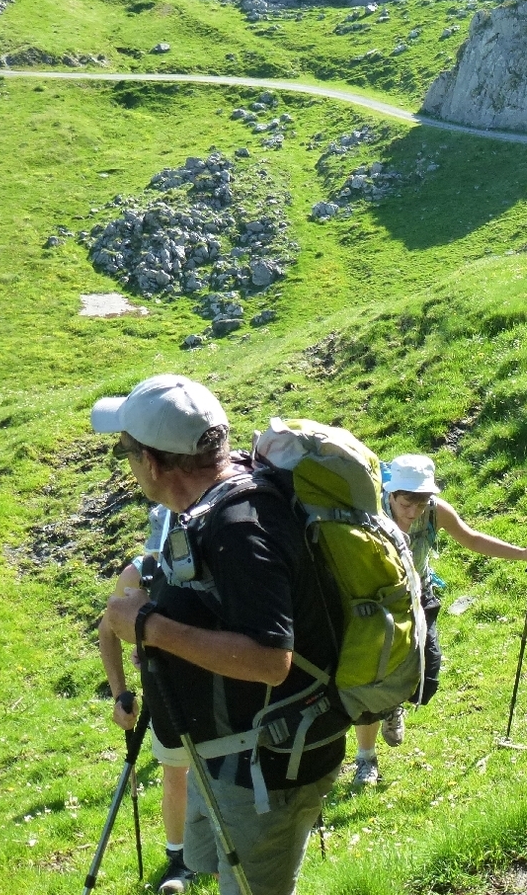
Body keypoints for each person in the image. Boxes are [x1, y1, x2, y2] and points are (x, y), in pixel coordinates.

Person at [96, 374, 344, 895]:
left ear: (154, 462)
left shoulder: (241, 527)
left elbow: (270, 659)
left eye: (126, 452)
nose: (128, 465)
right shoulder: (210, 507)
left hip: (268, 769)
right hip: (225, 754)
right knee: (212, 870)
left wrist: (148, 626)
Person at [350, 453, 527, 788]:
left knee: (427, 677)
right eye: (406, 503)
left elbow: (471, 538)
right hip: (379, 602)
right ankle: (365, 759)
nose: (412, 512)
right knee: (374, 683)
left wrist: (522, 553)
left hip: (420, 596)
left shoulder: (435, 511)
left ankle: (394, 705)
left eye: (420, 503)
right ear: (392, 493)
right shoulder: (370, 511)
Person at [98, 504, 195, 894]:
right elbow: (107, 628)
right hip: (163, 689)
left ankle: (221, 853)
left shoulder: (212, 558)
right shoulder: (139, 574)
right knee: (175, 772)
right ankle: (179, 860)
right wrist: (120, 692)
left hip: (217, 687)